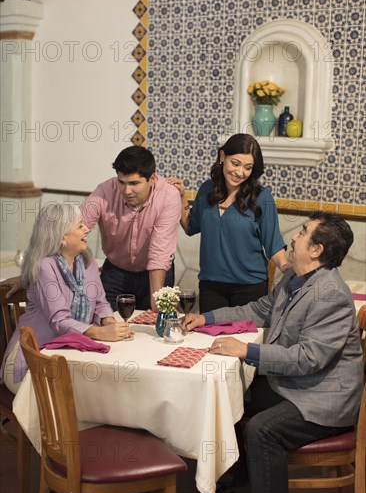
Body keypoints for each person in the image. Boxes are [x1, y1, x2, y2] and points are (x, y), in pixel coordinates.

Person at [182, 211, 364, 493]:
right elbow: (259, 310)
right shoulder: (296, 276)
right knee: (232, 398)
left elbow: (307, 359)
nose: (294, 236)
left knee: (261, 429)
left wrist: (247, 351)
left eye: (303, 232)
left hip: (324, 399)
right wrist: (207, 317)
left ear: (316, 250)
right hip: (298, 384)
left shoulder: (330, 294)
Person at [0, 202, 133, 395]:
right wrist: (99, 333)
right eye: (80, 226)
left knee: (98, 392)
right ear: (62, 237)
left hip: (70, 353)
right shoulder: (45, 267)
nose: (87, 229)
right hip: (35, 356)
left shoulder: (87, 262)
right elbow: (59, 320)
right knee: (76, 395)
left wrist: (109, 321)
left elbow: (101, 302)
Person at [167, 133, 289, 313]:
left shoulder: (262, 198)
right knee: (212, 340)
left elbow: (273, 243)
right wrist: (183, 196)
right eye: (236, 163)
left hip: (250, 288)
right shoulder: (207, 190)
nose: (240, 173)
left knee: (243, 340)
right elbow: (189, 226)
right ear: (222, 156)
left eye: (248, 168)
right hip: (211, 287)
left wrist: (287, 267)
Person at [80, 145, 182, 311]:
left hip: (157, 273)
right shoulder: (104, 191)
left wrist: (157, 304)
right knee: (107, 324)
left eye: (134, 183)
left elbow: (159, 252)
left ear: (152, 179)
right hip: (115, 272)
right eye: (121, 182)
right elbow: (76, 230)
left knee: (155, 328)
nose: (127, 191)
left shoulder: (169, 195)